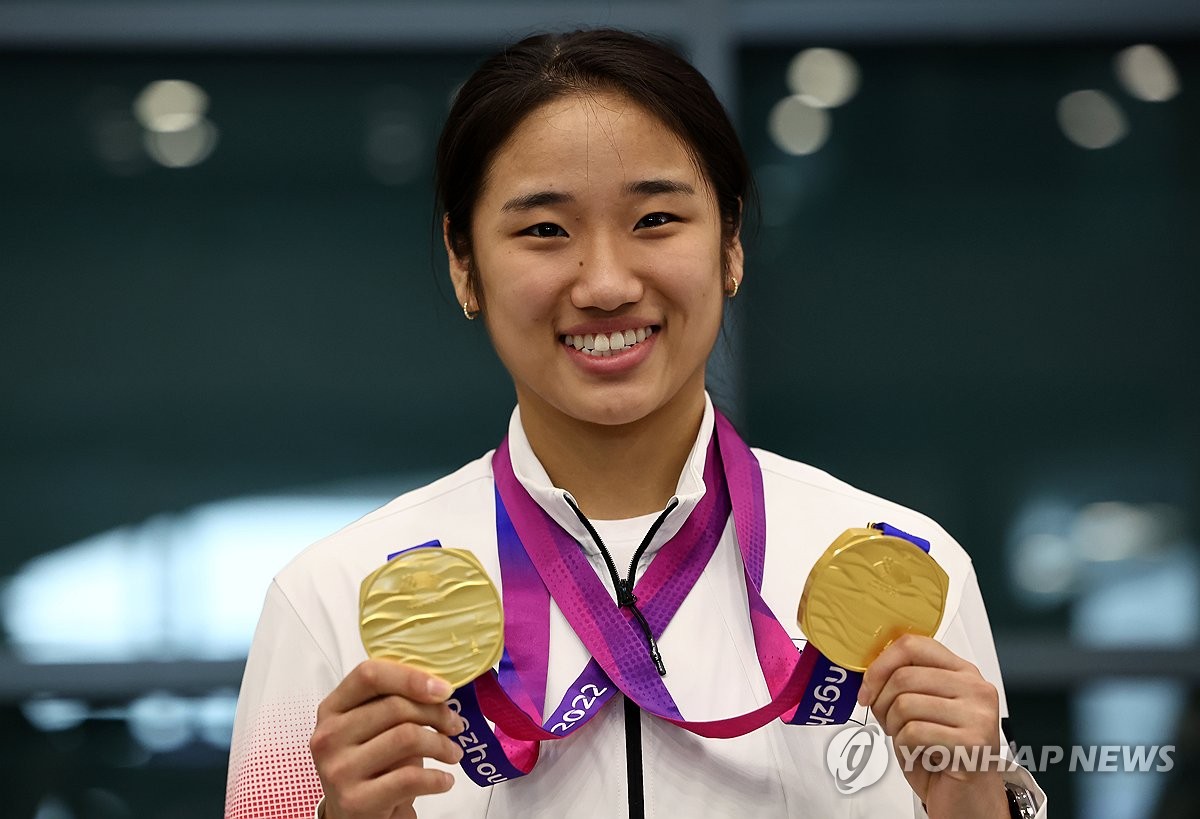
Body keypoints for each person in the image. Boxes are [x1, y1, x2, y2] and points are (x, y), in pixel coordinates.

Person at [225, 29, 1046, 819]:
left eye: (655, 220)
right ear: (462, 262)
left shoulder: (906, 569)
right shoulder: (330, 599)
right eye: (544, 230)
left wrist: (975, 804)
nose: (607, 283)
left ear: (730, 243)